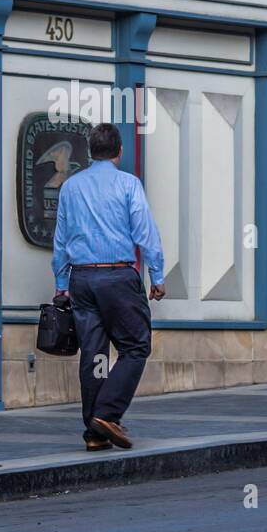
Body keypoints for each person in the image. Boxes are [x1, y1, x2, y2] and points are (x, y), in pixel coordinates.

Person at [52, 123, 165, 451]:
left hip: (81, 279)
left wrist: (61, 284)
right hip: (117, 277)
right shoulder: (128, 184)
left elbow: (60, 240)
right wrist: (156, 276)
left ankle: (94, 433)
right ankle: (107, 414)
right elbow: (146, 233)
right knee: (136, 346)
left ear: (89, 152)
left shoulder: (71, 187)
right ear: (119, 152)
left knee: (93, 354)